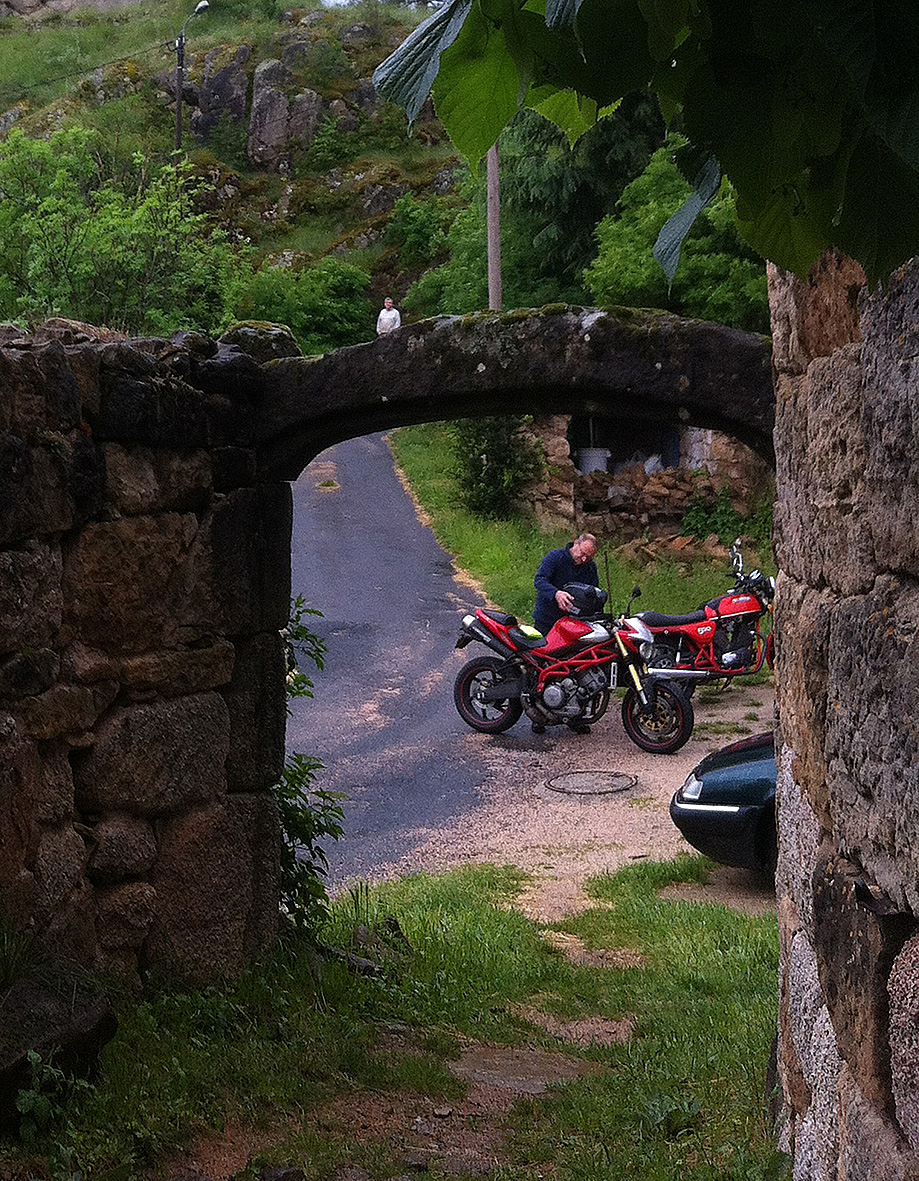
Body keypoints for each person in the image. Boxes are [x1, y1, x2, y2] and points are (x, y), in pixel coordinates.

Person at [532, 532, 601, 735]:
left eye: (589, 556)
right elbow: (539, 580)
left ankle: (574, 716)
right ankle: (539, 716)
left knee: (575, 667)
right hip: (547, 620)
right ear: (576, 544)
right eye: (582, 554)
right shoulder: (555, 558)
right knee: (542, 666)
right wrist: (556, 593)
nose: (584, 559)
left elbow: (593, 592)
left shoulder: (590, 567)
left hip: (573, 626)